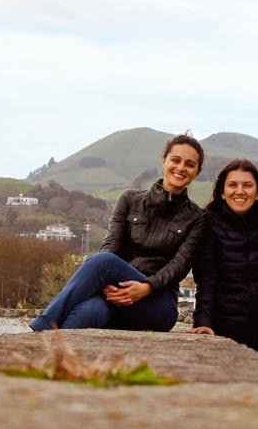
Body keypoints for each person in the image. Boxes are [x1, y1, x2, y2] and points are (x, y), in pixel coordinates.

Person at [29, 133, 206, 332]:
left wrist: (146, 287)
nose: (181, 168)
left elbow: (179, 266)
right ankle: (48, 353)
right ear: (164, 160)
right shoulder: (130, 199)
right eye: (176, 160)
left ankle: (39, 329)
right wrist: (106, 284)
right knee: (90, 311)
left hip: (158, 304)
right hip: (117, 292)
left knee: (102, 261)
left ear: (197, 172)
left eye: (190, 164)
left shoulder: (197, 218)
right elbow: (110, 246)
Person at [190, 159, 258, 358]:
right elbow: (207, 278)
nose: (240, 191)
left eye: (247, 185)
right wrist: (202, 321)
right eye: (232, 185)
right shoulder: (209, 223)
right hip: (225, 324)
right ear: (222, 192)